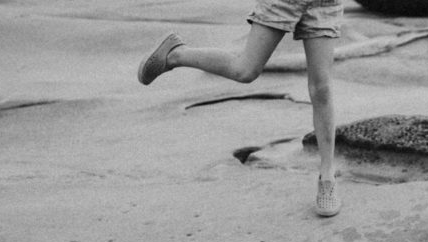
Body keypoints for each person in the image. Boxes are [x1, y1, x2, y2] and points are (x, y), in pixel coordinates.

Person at [136, 0, 343, 217]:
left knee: (321, 88)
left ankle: (327, 176)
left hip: (325, 4)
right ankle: (175, 54)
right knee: (245, 70)